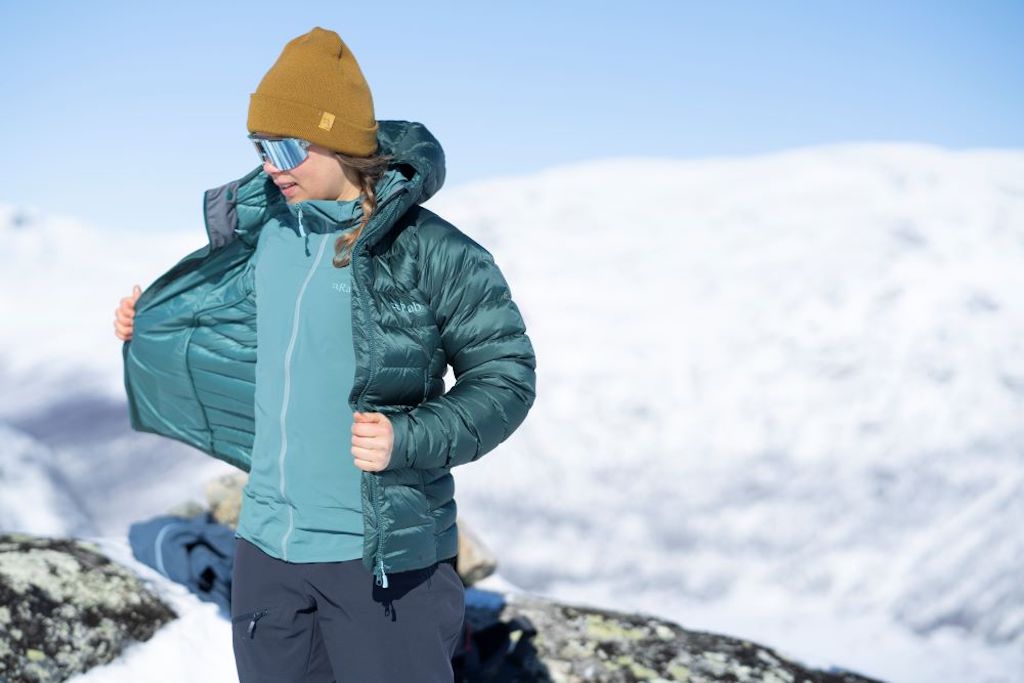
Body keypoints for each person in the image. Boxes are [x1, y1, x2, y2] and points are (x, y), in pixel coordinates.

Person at [113, 26, 537, 682]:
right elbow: (237, 333)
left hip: (380, 561)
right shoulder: (269, 236)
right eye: (259, 146)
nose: (271, 165)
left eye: (286, 146)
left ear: (340, 141)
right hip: (266, 552)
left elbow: (506, 375)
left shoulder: (433, 252)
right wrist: (152, 326)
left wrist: (410, 435)